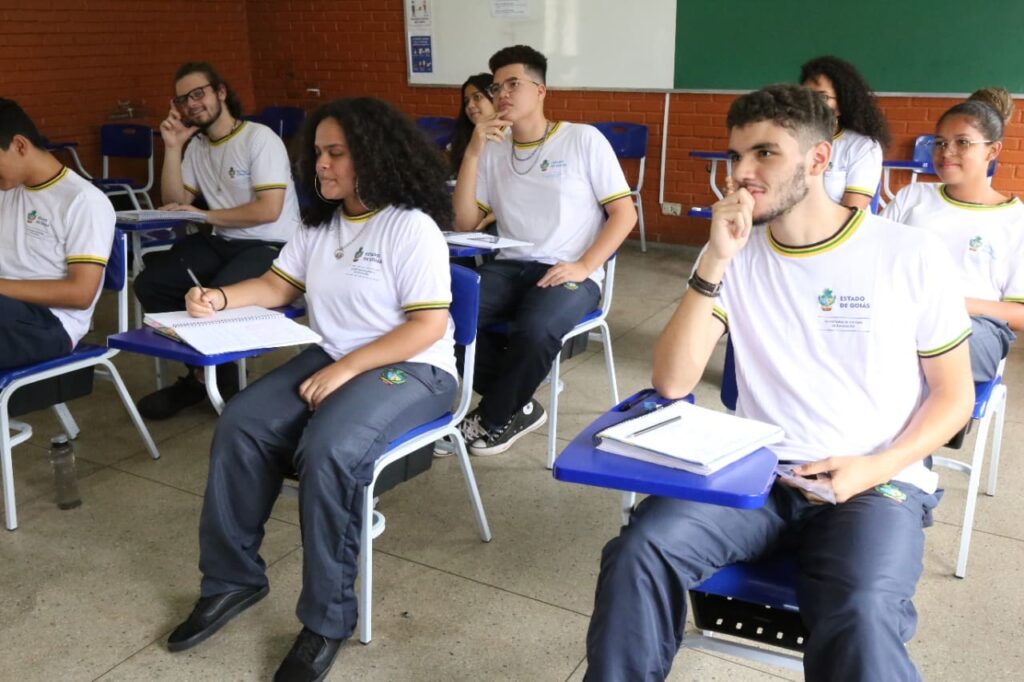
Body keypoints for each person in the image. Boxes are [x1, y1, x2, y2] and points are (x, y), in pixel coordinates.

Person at [585, 84, 974, 681]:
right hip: (759, 473)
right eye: (735, 156)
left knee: (864, 612)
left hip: (875, 481)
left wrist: (873, 467)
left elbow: (954, 397)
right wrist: (714, 261)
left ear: (819, 160)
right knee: (640, 551)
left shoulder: (908, 253)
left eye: (765, 154)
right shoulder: (735, 254)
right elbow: (671, 380)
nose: (741, 174)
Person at [164, 97, 458, 682]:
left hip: (415, 368)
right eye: (317, 154)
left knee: (330, 449)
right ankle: (231, 581)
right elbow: (277, 285)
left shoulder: (410, 226)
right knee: (243, 421)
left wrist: (347, 370)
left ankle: (327, 620)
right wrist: (218, 299)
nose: (321, 166)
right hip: (336, 356)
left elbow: (426, 325)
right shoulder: (319, 222)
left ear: (372, 156)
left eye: (335, 154)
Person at [452, 44, 637, 456]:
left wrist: (585, 265)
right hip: (510, 266)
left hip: (570, 270)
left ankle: (493, 418)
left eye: (513, 84)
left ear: (541, 90)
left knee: (535, 329)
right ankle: (517, 403)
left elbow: (624, 215)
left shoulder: (582, 139)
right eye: (497, 86)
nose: (502, 94)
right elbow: (465, 224)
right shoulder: (493, 150)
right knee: (441, 314)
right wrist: (473, 151)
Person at [133, 61, 301, 420]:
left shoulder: (260, 138)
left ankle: (222, 385)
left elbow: (268, 210)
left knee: (217, 296)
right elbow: (173, 202)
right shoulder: (197, 147)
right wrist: (174, 147)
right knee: (152, 283)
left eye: (199, 94)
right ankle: (201, 375)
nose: (192, 104)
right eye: (183, 99)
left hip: (273, 246)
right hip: (223, 242)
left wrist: (206, 216)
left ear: (220, 92)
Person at [883, 88, 1021, 382]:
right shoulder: (912, 197)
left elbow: (1020, 314)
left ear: (992, 150)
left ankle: (941, 422)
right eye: (940, 143)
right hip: (901, 313)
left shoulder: (1015, 220)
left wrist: (946, 300)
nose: (947, 152)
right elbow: (872, 258)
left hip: (974, 327)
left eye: (962, 143)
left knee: (929, 351)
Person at [0, 98, 114, 370]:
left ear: (19, 145)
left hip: (52, 324)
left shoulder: (83, 200)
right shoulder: (8, 190)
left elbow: (80, 293)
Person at [800, 55, 890, 210]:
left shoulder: (862, 147)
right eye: (804, 96)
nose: (810, 104)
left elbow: (851, 213)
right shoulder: (787, 140)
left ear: (842, 104)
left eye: (821, 97)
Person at [449, 72, 498, 235]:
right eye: (466, 101)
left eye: (477, 97)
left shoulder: (512, 137)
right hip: (470, 217)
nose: (470, 105)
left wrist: (497, 213)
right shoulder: (469, 141)